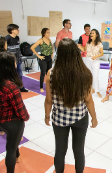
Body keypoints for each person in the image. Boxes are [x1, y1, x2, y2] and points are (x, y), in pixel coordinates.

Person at [44, 38, 98, 173]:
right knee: (79, 150)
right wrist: (94, 117)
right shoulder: (85, 73)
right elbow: (88, 100)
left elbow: (49, 100)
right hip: (80, 118)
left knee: (60, 151)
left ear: (59, 53)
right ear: (76, 52)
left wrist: (46, 116)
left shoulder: (51, 73)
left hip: (59, 118)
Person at [0, 51, 29, 173]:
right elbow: (20, 109)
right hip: (12, 122)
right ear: (9, 66)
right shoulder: (11, 86)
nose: (16, 63)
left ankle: (17, 155)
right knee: (10, 148)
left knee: (12, 140)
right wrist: (26, 118)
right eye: (14, 61)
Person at [78, 29, 104, 98]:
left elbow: (102, 53)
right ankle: (91, 89)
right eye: (91, 33)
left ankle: (97, 91)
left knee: (95, 76)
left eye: (93, 33)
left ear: (96, 35)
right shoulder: (88, 42)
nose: (91, 34)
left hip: (95, 60)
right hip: (88, 59)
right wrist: (80, 46)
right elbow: (84, 50)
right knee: (89, 75)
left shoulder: (99, 43)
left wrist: (95, 56)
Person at [5, 24, 28, 92]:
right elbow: (5, 50)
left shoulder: (17, 38)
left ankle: (21, 87)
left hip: (18, 59)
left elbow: (18, 49)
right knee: (11, 75)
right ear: (12, 31)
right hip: (11, 60)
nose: (18, 30)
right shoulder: (7, 38)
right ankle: (12, 88)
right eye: (17, 29)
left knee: (20, 74)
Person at [31, 28, 54, 93]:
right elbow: (32, 47)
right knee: (43, 73)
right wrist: (38, 56)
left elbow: (51, 47)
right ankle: (41, 87)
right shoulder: (40, 40)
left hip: (49, 58)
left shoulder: (49, 40)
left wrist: (52, 54)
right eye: (47, 32)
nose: (49, 34)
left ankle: (50, 85)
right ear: (44, 33)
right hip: (43, 58)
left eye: (49, 32)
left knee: (49, 73)